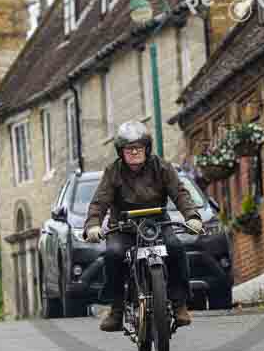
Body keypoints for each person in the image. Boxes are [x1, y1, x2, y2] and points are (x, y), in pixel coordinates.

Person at [84, 121, 203, 332]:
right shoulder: (113, 172)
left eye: (139, 147)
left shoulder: (162, 167)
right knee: (113, 254)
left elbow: (180, 193)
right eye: (129, 148)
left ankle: (179, 304)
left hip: (157, 223)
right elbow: (99, 202)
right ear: (121, 151)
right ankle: (116, 310)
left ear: (147, 148)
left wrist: (192, 217)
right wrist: (93, 225)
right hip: (123, 227)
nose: (134, 152)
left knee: (175, 248)